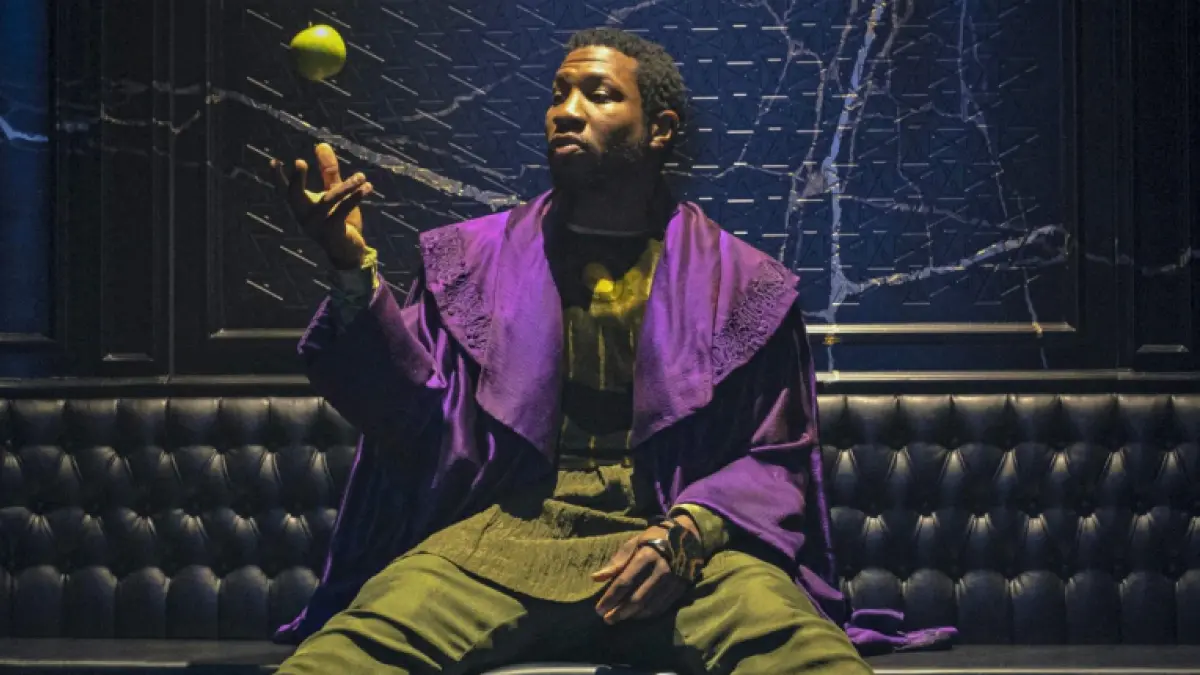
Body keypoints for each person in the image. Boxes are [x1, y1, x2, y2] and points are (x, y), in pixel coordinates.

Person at [269, 26, 874, 675]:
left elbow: (776, 459)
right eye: (559, 93)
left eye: (599, 94)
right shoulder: (473, 262)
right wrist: (350, 267)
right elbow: (409, 416)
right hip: (499, 541)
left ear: (661, 129)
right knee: (337, 660)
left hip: (678, 552)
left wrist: (689, 534)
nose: (567, 110)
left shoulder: (742, 283)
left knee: (812, 659)